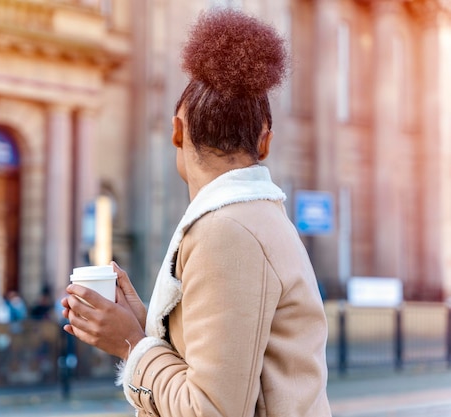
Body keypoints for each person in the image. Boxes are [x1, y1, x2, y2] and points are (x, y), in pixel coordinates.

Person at [62, 8, 331, 417]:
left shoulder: (228, 231)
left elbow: (212, 409)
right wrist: (145, 321)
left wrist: (131, 345)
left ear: (177, 132)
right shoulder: (256, 220)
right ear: (265, 144)